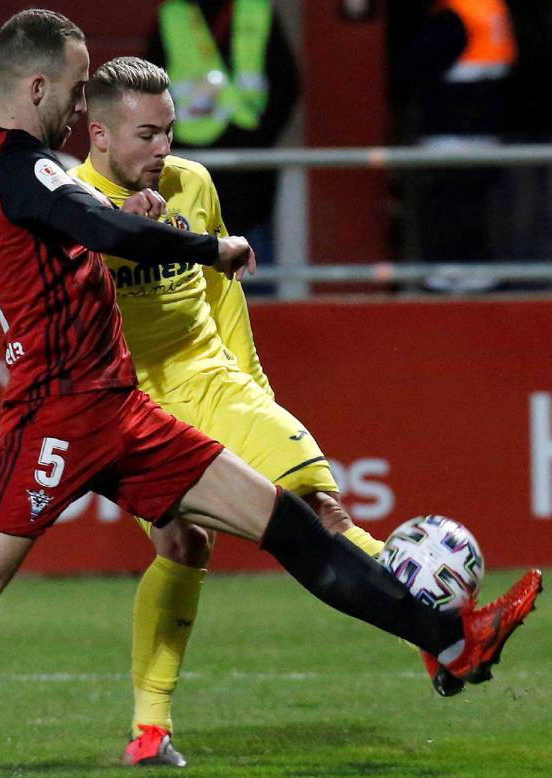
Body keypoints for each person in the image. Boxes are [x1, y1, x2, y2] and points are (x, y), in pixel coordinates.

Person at [0, 10, 542, 777]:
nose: (77, 112)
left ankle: (450, 641)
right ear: (34, 86)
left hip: (122, 409)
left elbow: (39, 199)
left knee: (285, 522)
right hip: (59, 415)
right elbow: (96, 224)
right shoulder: (21, 169)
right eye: (68, 90)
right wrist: (208, 250)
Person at [65, 55, 398, 767]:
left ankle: (444, 624)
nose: (164, 150)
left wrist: (253, 389)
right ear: (98, 135)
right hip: (140, 403)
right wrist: (115, 231)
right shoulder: (68, 203)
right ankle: (150, 729)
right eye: (146, 135)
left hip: (214, 379)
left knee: (325, 504)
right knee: (182, 548)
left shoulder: (194, 184)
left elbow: (222, 295)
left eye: (169, 132)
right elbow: (65, 311)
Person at [145, 0, 298, 271]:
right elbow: (149, 90)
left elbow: (287, 83)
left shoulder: (257, 10)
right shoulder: (172, 16)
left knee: (254, 267)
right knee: (195, 264)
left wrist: (260, 138)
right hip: (190, 164)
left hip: (250, 171)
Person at [393, 0, 517, 293]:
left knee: (449, 217)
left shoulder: (456, 17)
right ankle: (475, 281)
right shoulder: (491, 11)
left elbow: (411, 68)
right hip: (486, 134)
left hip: (451, 135)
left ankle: (451, 285)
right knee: (475, 218)